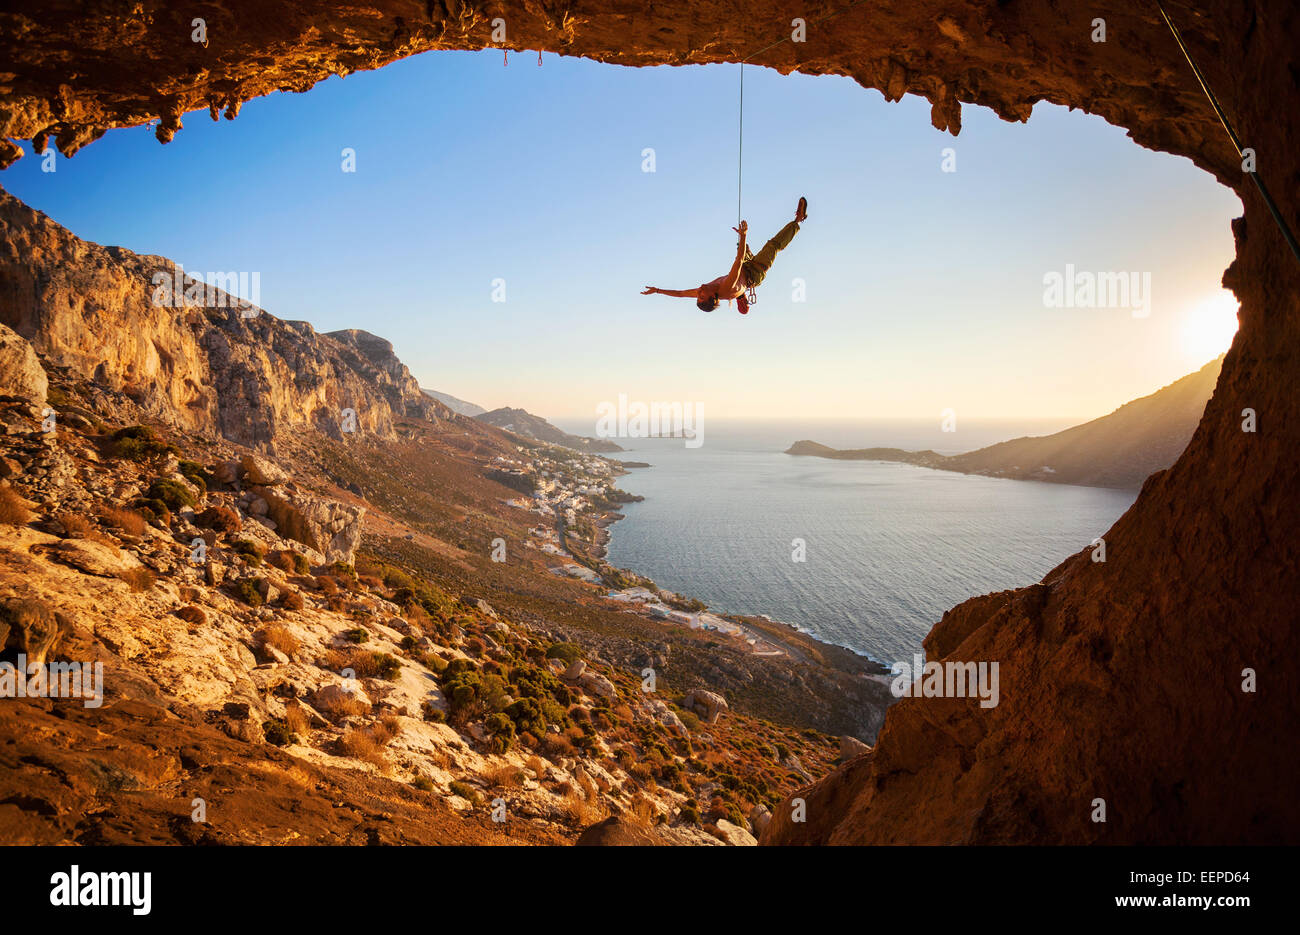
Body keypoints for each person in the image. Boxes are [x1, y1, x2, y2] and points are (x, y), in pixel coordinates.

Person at [642, 197, 808, 314]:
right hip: (754, 272)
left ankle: (740, 296)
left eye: (697, 296)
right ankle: (799, 220)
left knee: (741, 248)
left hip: (743, 268)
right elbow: (738, 260)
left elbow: (680, 294)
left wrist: (657, 290)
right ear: (713, 298)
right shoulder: (726, 287)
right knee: (773, 245)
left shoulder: (705, 290)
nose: (698, 292)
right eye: (701, 296)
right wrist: (743, 235)